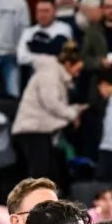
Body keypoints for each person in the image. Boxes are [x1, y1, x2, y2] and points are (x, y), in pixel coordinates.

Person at [13, 44, 87, 185]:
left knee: (49, 171)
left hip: (40, 130)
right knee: (39, 172)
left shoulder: (58, 75)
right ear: (68, 64)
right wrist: (72, 114)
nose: (78, 74)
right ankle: (34, 203)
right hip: (31, 129)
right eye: (77, 69)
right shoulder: (50, 74)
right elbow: (51, 102)